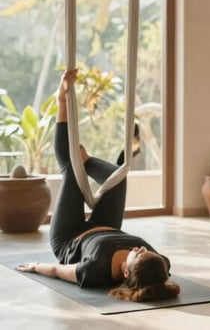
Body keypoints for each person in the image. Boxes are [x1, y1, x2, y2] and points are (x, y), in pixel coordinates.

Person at [14, 69, 179, 302]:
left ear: (125, 272)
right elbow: (161, 275)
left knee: (72, 168)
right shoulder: (157, 264)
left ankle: (62, 101)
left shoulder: (94, 271)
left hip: (69, 237)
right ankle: (87, 160)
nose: (140, 249)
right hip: (107, 224)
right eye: (144, 251)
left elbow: (58, 271)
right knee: (118, 178)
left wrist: (35, 267)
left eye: (138, 254)